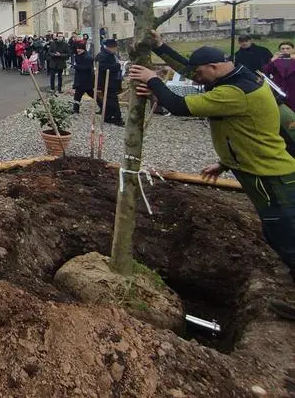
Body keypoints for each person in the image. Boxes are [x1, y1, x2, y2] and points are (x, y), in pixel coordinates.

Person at [128, 33, 295, 320]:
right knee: (275, 233)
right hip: (258, 172)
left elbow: (180, 106)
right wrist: (160, 47)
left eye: (201, 74)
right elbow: (246, 130)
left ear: (215, 67)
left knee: (286, 237)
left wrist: (153, 78)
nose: (197, 79)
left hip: (272, 179)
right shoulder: (234, 75)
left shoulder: (235, 92)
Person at [94, 38, 124, 126]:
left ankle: (108, 116)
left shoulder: (111, 55)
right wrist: (117, 66)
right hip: (106, 82)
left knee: (110, 100)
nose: (115, 50)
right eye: (114, 48)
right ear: (110, 47)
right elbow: (102, 67)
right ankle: (116, 118)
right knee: (112, 100)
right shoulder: (102, 56)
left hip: (112, 81)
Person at [262, 41, 295, 111]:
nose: (285, 50)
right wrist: (272, 59)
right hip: (279, 90)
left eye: (288, 48)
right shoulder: (275, 61)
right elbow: (265, 71)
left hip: (293, 89)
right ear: (279, 50)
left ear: (293, 50)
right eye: (282, 49)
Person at [71, 45, 95, 113]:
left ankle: (103, 105)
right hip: (79, 79)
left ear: (83, 50)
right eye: (77, 48)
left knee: (89, 94)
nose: (78, 50)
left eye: (80, 49)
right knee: (77, 95)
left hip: (86, 80)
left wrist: (77, 67)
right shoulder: (78, 56)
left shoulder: (88, 58)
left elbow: (88, 68)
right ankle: (75, 109)